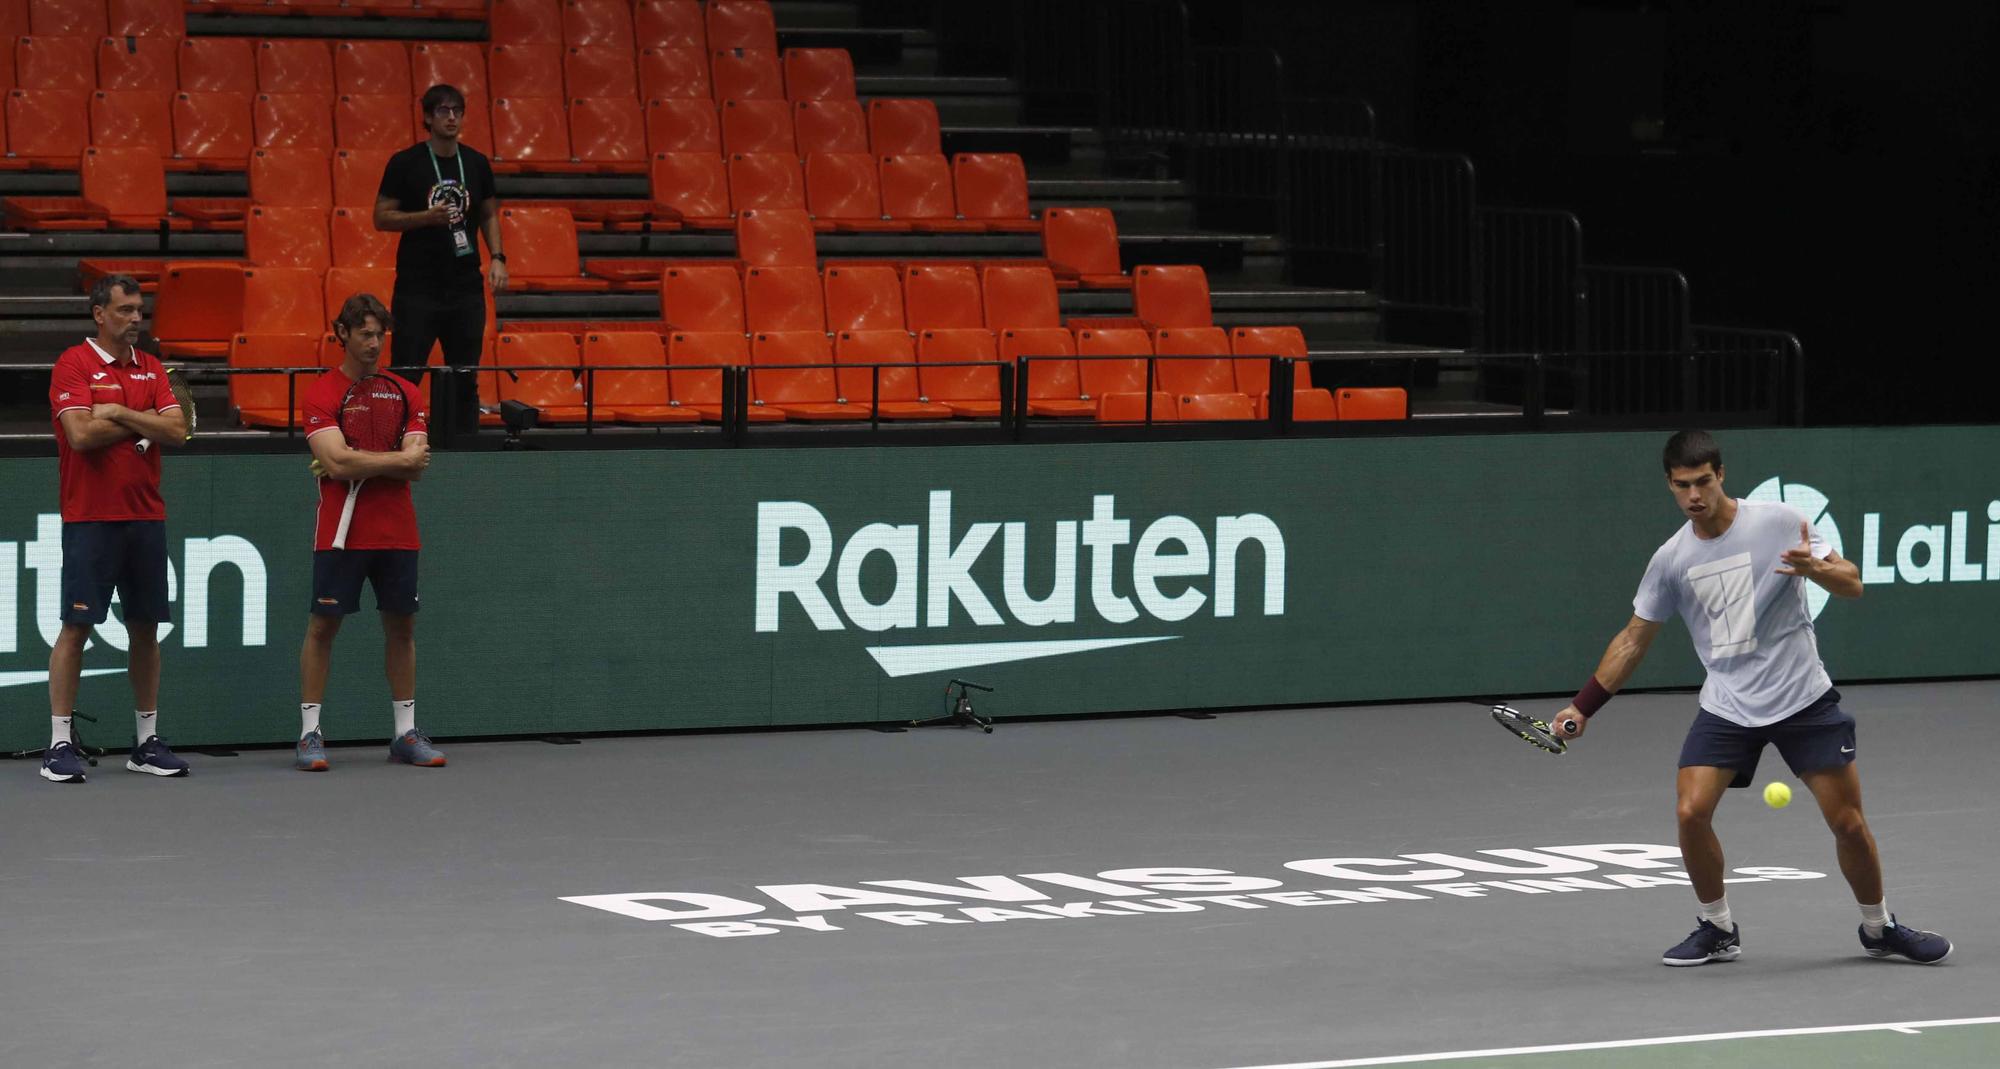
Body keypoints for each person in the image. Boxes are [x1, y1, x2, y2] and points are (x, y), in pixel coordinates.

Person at [1550, 430, 1951, 966]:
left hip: (1803, 696)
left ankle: (1879, 927)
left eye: (1703, 482)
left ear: (1720, 475)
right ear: (1669, 486)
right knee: (1691, 811)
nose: (1694, 495)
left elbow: (1852, 583)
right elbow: (1632, 640)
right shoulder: (1670, 560)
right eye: (1681, 485)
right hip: (1728, 705)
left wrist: (1818, 570)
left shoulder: (1782, 521)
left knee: (1848, 822)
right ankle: (1717, 928)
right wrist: (1583, 707)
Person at [42, 275, 191, 783]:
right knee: (76, 628)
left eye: (139, 311)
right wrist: (145, 417)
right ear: (99, 314)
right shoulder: (73, 364)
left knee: (146, 629)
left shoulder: (152, 367)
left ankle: (146, 742)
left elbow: (178, 429)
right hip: (91, 518)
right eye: (125, 310)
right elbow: (81, 434)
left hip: (146, 517)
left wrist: (122, 411)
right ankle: (59, 743)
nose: (135, 319)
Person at [296, 294, 443, 770]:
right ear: (342, 333)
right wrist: (393, 460)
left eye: (380, 334)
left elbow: (416, 464)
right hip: (340, 532)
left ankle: (404, 734)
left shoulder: (407, 391)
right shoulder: (321, 393)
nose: (374, 343)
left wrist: (374, 461)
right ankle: (309, 734)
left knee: (402, 627)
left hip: (398, 531)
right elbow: (336, 461)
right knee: (323, 627)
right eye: (364, 334)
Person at [373, 83, 507, 438]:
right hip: (418, 286)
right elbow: (382, 217)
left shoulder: (476, 163)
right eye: (444, 111)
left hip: (465, 287)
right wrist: (425, 218)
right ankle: (394, 446)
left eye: (457, 111)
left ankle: (464, 449)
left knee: (465, 376)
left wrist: (497, 256)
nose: (452, 117)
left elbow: (489, 214)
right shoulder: (406, 162)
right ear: (428, 118)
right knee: (406, 373)